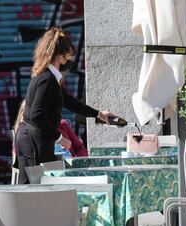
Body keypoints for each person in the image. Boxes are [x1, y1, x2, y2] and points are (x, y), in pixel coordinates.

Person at [15, 27, 114, 183]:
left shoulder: (47, 78)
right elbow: (36, 115)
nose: (70, 61)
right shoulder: (47, 80)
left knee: (33, 187)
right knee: (35, 189)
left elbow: (69, 102)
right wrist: (59, 137)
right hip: (34, 141)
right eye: (69, 57)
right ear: (60, 58)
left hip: (32, 138)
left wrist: (98, 114)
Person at [14, 101, 88, 158]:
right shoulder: (24, 134)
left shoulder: (62, 125)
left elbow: (79, 148)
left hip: (71, 171)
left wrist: (77, 162)